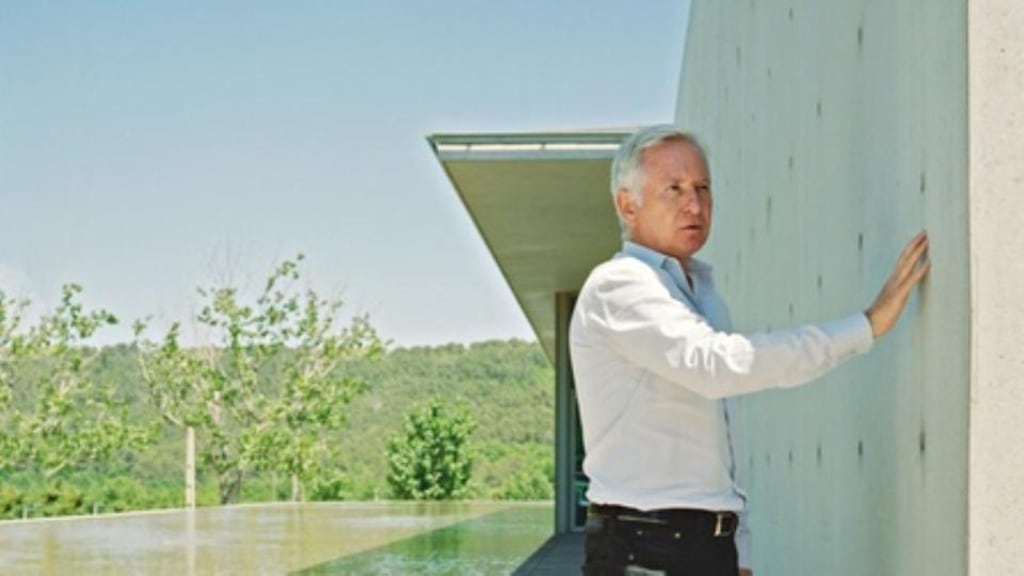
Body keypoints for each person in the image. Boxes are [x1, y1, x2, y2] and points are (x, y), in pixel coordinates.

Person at [569, 124, 930, 576]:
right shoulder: (619, 285)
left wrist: (740, 548)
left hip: (706, 544)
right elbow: (718, 366)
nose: (694, 204)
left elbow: (725, 429)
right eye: (674, 189)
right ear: (628, 204)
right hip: (645, 547)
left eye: (703, 187)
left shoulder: (700, 293)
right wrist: (865, 326)